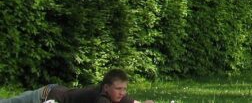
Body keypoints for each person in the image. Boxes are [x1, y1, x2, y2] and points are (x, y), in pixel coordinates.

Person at [0, 69, 155, 103]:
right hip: (48, 96)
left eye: (124, 89)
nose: (122, 93)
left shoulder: (117, 95)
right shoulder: (102, 99)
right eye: (118, 89)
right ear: (106, 87)